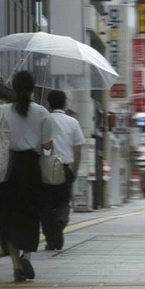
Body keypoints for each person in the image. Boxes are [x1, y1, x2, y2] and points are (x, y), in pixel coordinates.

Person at [0, 70, 54, 281]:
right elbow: (46, 145)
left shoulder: (1, 110)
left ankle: (16, 266)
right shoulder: (43, 113)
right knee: (30, 215)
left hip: (8, 168)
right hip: (31, 169)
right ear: (33, 88)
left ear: (14, 88)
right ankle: (27, 256)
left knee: (8, 217)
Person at [41, 90, 85, 251]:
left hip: (45, 169)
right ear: (65, 103)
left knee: (46, 205)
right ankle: (60, 221)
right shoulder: (72, 122)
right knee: (63, 202)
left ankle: (50, 240)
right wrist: (75, 170)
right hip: (65, 168)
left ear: (49, 103)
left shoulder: (44, 120)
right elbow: (78, 150)